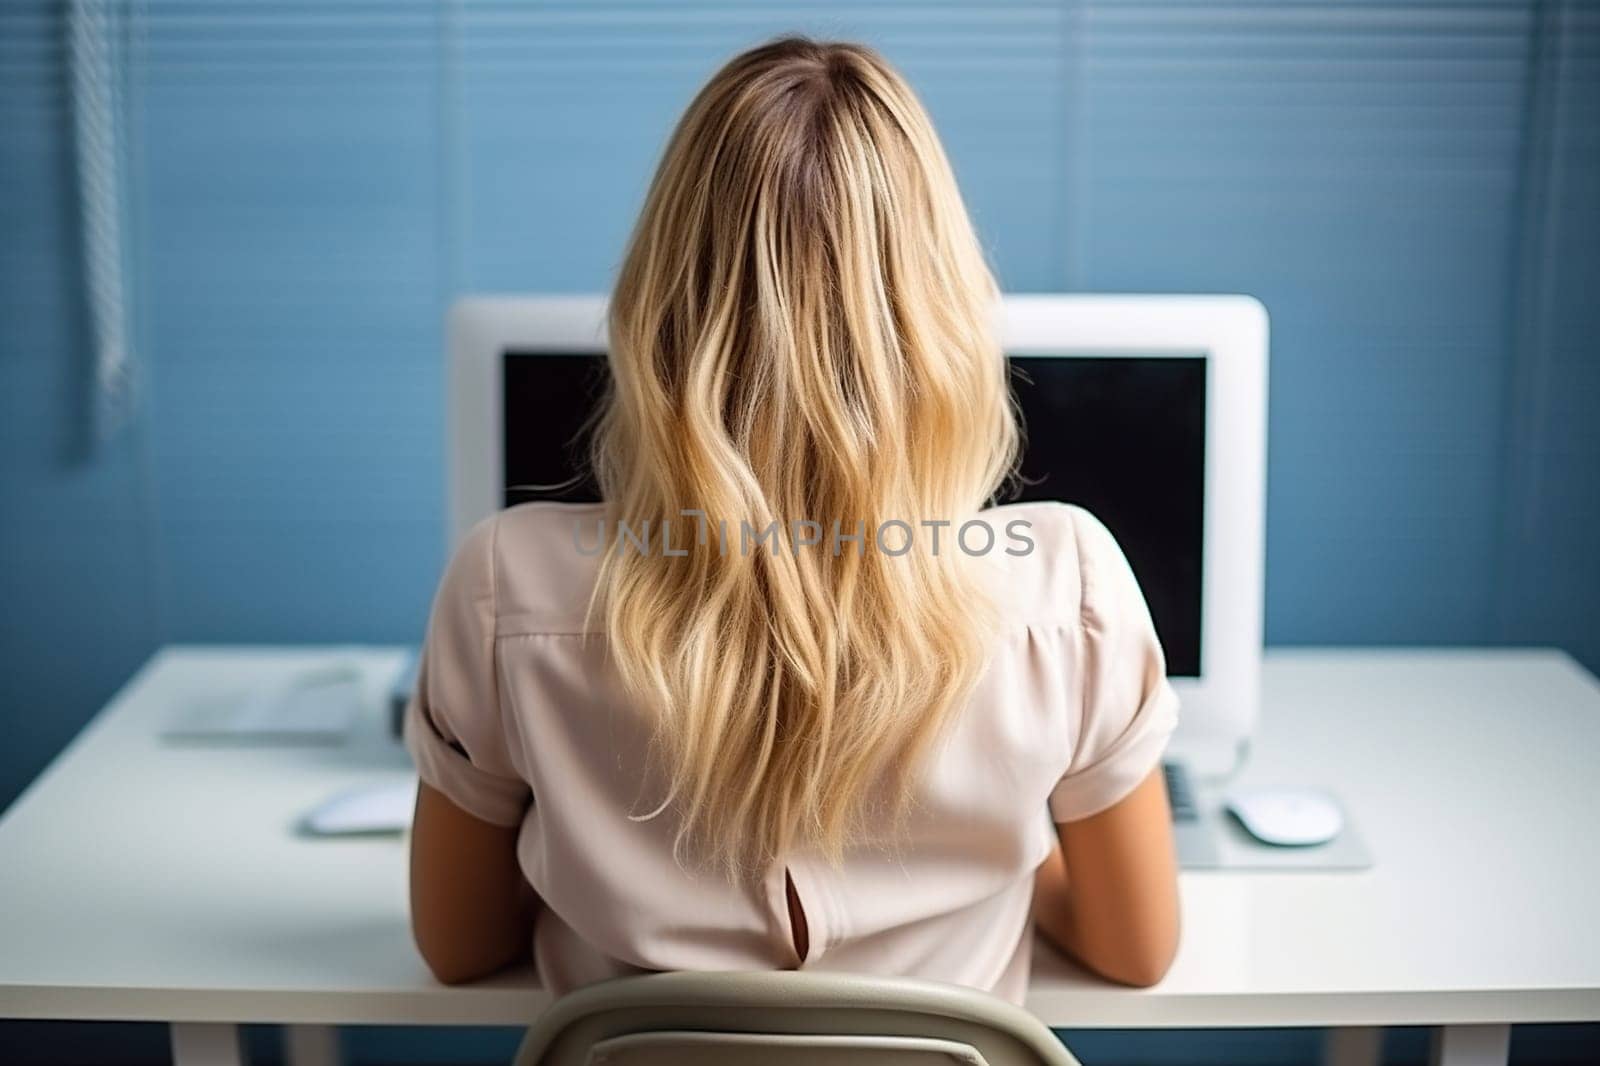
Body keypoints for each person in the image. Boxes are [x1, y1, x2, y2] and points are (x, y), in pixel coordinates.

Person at [405, 36, 1180, 1002]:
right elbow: (1135, 949)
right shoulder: (1071, 584)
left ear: (662, 302)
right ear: (938, 306)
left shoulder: (505, 582)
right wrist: (1006, 872)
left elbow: (458, 946)